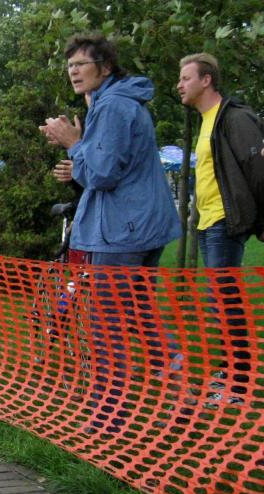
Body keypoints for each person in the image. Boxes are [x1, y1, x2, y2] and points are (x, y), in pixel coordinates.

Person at [40, 34, 182, 434]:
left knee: (107, 326)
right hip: (138, 225)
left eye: (81, 64)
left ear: (104, 67)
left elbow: (103, 174)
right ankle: (182, 389)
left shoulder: (114, 106)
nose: (73, 71)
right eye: (69, 65)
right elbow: (106, 167)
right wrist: (79, 155)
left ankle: (108, 417)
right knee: (139, 314)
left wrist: (73, 144)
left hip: (122, 232)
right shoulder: (116, 102)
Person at [177, 52, 264, 405]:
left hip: (224, 223)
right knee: (221, 304)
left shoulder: (234, 118)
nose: (179, 85)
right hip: (207, 223)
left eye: (186, 78)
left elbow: (257, 169)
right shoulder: (206, 120)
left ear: (206, 80)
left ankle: (238, 385)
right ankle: (231, 374)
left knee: (226, 305)